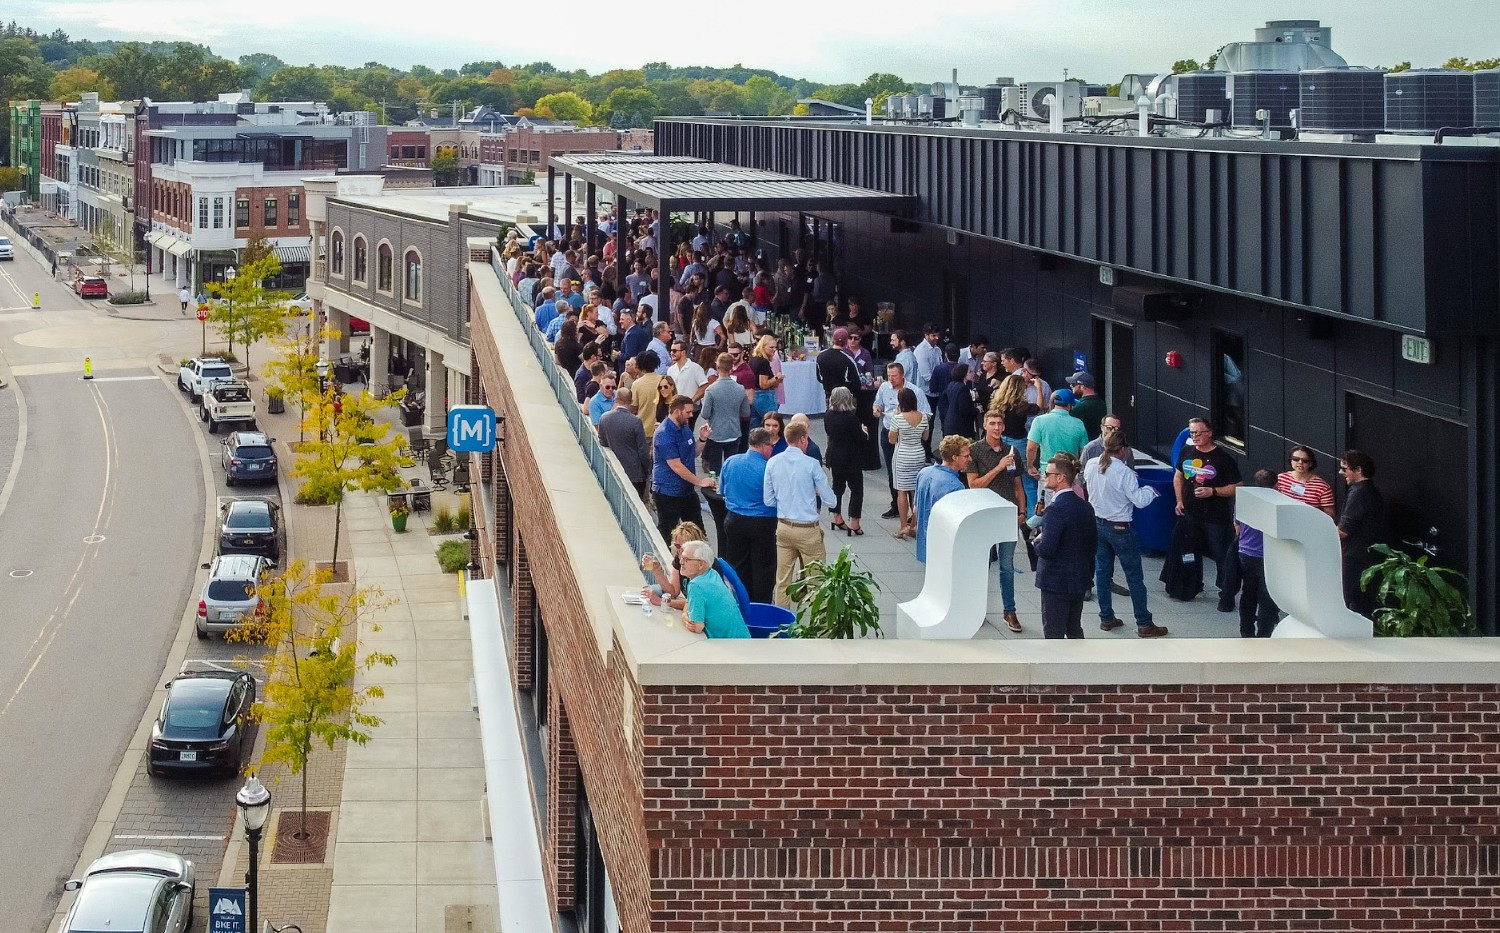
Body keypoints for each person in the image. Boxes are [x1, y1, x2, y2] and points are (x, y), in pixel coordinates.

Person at [1083, 431, 1168, 638]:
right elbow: (1139, 500)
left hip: (1097, 523)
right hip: (1120, 527)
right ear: (1123, 450)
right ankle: (1144, 622)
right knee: (1134, 576)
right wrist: (1151, 490)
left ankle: (1106, 617)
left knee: (1102, 572)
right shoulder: (1125, 472)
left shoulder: (1092, 464)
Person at [763, 419, 836, 607]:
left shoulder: (772, 462)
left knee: (782, 580)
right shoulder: (812, 464)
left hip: (784, 527)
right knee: (817, 580)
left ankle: (782, 624)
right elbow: (831, 500)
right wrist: (816, 491)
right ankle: (816, 625)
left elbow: (768, 500)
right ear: (803, 439)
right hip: (807, 530)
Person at [1172, 417, 1243, 608]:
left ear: (1209, 434)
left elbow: (1238, 486)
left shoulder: (1223, 458)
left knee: (1221, 555)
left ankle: (1225, 592)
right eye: (1192, 432)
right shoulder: (1187, 451)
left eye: (1198, 432)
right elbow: (1178, 477)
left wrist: (1214, 491)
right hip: (1190, 514)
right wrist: (1179, 500)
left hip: (1215, 518)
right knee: (1190, 552)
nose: (1194, 436)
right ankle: (1192, 585)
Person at [968, 410, 1027, 633]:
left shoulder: (1012, 452)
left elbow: (1018, 485)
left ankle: (1009, 610)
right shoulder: (975, 451)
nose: (996, 427)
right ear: (984, 425)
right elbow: (974, 484)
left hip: (1008, 514)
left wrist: (1022, 511)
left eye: (999, 423)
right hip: (983, 514)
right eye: (992, 423)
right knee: (981, 564)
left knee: (1006, 565)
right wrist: (999, 467)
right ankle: (976, 609)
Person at [1033, 453, 1097, 639]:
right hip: (1078, 580)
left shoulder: (1054, 509)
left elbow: (1047, 549)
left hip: (1056, 582)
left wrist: (1037, 541)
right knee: (1074, 628)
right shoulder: (1085, 507)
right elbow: (1092, 546)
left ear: (1060, 477)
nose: (1045, 476)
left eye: (1048, 473)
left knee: (1054, 631)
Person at [719, 427, 779, 603]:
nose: (772, 450)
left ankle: (741, 602)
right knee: (764, 569)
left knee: (738, 566)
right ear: (763, 446)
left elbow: (722, 490)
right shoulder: (768, 468)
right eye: (771, 446)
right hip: (763, 522)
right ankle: (761, 605)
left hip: (734, 520)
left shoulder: (730, 462)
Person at [652, 396, 715, 542]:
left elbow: (693, 453)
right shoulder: (664, 433)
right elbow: (676, 466)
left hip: (686, 491)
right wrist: (700, 482)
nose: (692, 415)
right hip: (668, 493)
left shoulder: (685, 428)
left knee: (697, 530)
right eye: (688, 412)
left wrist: (702, 439)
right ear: (677, 412)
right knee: (668, 532)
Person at [873, 361, 931, 520]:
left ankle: (913, 510)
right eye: (889, 376)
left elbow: (927, 414)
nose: (891, 379)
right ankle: (896, 505)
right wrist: (877, 409)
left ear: (902, 375)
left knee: (912, 477)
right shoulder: (884, 387)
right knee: (893, 473)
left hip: (908, 436)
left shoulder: (915, 391)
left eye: (894, 376)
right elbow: (877, 403)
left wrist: (912, 421)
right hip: (888, 430)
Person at [1338, 449, 1386, 617]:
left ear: (1358, 470)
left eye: (1345, 469)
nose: (1341, 472)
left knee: (1351, 600)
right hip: (1363, 555)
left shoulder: (1359, 493)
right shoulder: (1365, 490)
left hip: (1355, 556)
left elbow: (1343, 530)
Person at [1235, 469, 1282, 638]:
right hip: (1268, 556)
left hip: (1245, 553)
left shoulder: (1245, 500)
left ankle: (1246, 630)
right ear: (1276, 484)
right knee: (1267, 597)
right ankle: (1264, 633)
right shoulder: (1278, 503)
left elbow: (1237, 527)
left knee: (1248, 593)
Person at [678, 540, 751, 639]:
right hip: (745, 639)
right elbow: (688, 601)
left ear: (701, 565)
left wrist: (683, 617)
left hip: (730, 647)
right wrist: (685, 612)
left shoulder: (696, 585)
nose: (681, 562)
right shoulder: (712, 573)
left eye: (686, 559)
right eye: (681, 557)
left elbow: (697, 627)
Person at [914, 436, 970, 564]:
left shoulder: (924, 473)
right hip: (945, 547)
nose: (969, 459)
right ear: (955, 458)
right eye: (966, 456)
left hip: (925, 544)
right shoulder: (955, 486)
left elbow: (916, 508)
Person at [1026, 389, 1087, 505]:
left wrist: (1030, 466)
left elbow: (1031, 447)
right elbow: (1084, 451)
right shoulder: (1079, 423)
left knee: (1047, 512)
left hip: (1048, 474)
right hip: (1071, 475)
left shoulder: (1039, 421)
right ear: (1069, 406)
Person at [823, 387, 868, 537]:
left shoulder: (828, 415)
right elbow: (859, 438)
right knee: (856, 489)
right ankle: (854, 522)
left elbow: (828, 432)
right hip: (851, 457)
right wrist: (864, 431)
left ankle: (836, 516)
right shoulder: (850, 418)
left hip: (835, 456)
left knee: (837, 487)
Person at [888, 387, 930, 540]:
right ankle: (914, 526)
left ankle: (903, 526)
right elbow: (925, 437)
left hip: (902, 456)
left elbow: (892, 439)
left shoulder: (897, 418)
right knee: (916, 492)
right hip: (918, 454)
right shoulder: (923, 416)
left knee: (902, 491)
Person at [698, 352, 752, 472]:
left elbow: (705, 414)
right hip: (733, 432)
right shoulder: (740, 388)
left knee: (715, 469)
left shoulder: (711, 390)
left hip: (715, 433)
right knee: (731, 467)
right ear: (732, 367)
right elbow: (745, 413)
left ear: (717, 368)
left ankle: (716, 488)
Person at [641, 522, 709, 611]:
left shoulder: (704, 565)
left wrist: (662, 601)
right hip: (693, 604)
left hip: (705, 609)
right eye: (677, 545)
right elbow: (673, 592)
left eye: (684, 546)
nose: (680, 550)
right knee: (648, 591)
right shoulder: (679, 558)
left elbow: (697, 602)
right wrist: (657, 569)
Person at [597, 386, 649, 498]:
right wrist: (647, 470)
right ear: (631, 402)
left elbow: (602, 442)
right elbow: (643, 450)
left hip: (613, 471)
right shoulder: (636, 421)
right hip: (634, 474)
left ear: (616, 400)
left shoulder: (604, 418)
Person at [1277, 446, 1336, 518]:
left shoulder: (1322, 487)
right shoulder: (1280, 479)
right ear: (1291, 460)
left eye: (1305, 461)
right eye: (1296, 459)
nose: (1300, 462)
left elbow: (1330, 515)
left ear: (1311, 463)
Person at [816, 327, 861, 401]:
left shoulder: (820, 356)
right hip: (845, 398)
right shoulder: (847, 359)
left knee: (830, 412)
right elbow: (856, 383)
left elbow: (819, 378)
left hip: (829, 396)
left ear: (833, 340)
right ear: (846, 342)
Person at [938, 361, 978, 443]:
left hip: (950, 422)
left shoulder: (951, 385)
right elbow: (965, 409)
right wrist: (977, 409)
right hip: (960, 427)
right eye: (970, 372)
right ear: (964, 374)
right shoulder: (963, 388)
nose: (972, 373)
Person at [913, 324, 945, 422]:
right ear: (926, 335)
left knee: (932, 421)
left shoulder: (937, 350)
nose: (937, 338)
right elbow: (927, 376)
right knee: (926, 423)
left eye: (937, 335)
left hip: (936, 392)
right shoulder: (921, 351)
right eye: (933, 336)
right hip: (925, 393)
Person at [630, 350, 664, 436]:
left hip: (643, 429)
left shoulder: (636, 384)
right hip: (662, 428)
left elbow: (633, 407)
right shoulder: (664, 380)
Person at [749, 334, 785, 416]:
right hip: (764, 397)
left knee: (755, 426)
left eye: (775, 347)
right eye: (771, 347)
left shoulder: (753, 358)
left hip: (754, 395)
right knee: (771, 422)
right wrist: (777, 377)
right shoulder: (763, 362)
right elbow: (763, 385)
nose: (774, 350)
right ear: (763, 346)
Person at [1065, 372, 1106, 440]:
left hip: (1084, 445)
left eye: (1073, 384)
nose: (1071, 386)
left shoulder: (1080, 407)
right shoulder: (1101, 403)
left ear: (1083, 387)